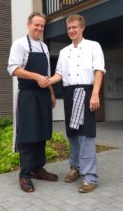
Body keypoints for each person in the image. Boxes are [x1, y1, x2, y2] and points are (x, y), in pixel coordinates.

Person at [47, 14, 106, 193]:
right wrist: (48, 81)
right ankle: (75, 168)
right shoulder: (64, 52)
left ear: (82, 28)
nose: (71, 30)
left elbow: (99, 71)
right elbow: (60, 74)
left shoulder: (93, 46)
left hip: (86, 92)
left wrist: (95, 94)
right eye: (69, 28)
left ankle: (90, 177)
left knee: (86, 134)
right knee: (72, 133)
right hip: (70, 93)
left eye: (74, 27)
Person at [7, 11, 58, 193]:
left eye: (42, 26)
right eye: (36, 25)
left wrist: (51, 93)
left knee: (42, 132)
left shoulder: (44, 47)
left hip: (43, 94)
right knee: (28, 133)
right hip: (27, 94)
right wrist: (35, 76)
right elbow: (13, 69)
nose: (39, 28)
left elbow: (48, 75)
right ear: (28, 25)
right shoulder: (20, 44)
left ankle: (38, 168)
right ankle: (25, 174)